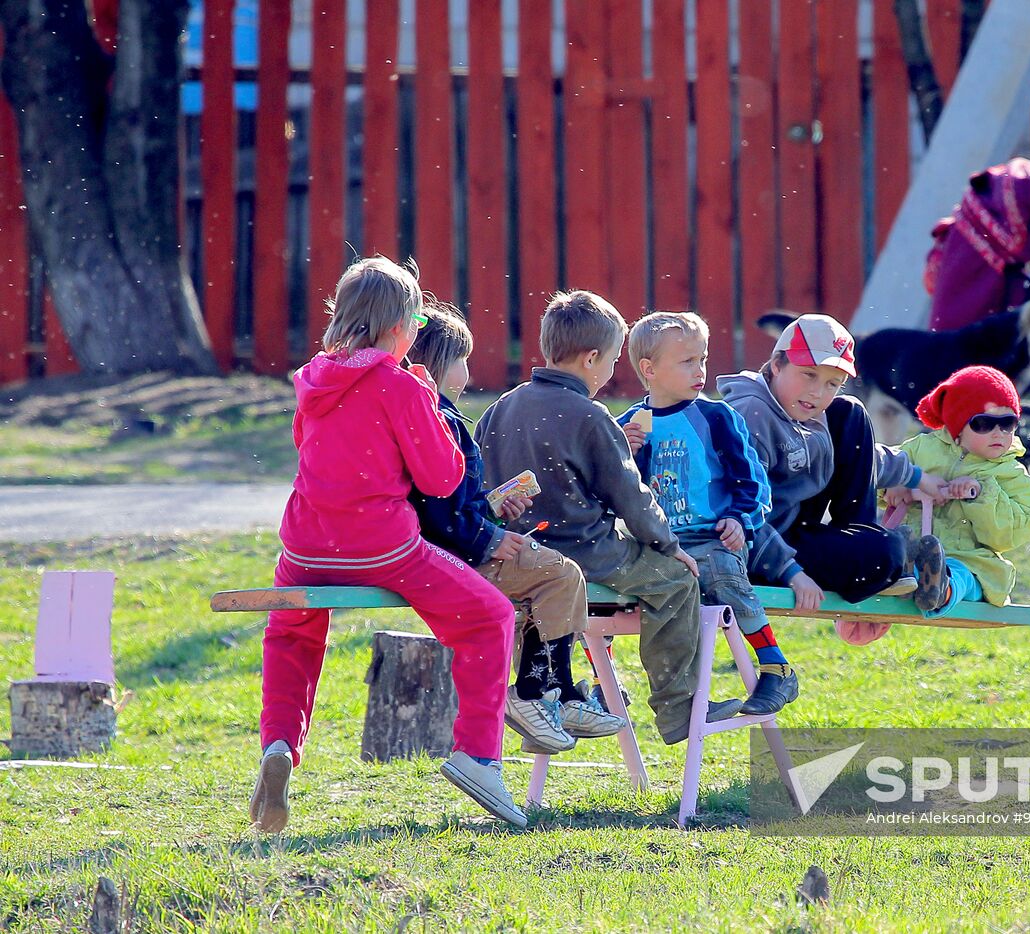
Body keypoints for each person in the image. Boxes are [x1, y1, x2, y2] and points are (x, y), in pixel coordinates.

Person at [251, 257, 527, 832]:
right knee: (489, 618)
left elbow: (311, 448)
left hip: (305, 545)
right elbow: (441, 480)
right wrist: (426, 403)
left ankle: (277, 746)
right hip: (381, 548)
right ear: (403, 327)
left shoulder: (312, 379)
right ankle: (478, 755)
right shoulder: (402, 386)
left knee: (292, 633)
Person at [475, 290, 743, 747]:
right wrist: (669, 545)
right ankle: (678, 708)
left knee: (538, 606)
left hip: (520, 552)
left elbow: (481, 476)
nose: (611, 372)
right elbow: (630, 497)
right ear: (592, 358)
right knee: (677, 584)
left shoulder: (502, 406)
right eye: (613, 360)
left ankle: (549, 702)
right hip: (586, 549)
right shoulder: (590, 414)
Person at [407, 303, 625, 755]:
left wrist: (493, 509)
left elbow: (450, 505)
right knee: (561, 574)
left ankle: (551, 692)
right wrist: (489, 536)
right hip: (456, 555)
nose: (469, 370)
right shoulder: (439, 421)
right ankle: (540, 693)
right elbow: (439, 514)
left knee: (547, 578)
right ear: (442, 366)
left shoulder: (435, 417)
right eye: (464, 360)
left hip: (455, 546)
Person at [618, 311, 795, 715]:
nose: (700, 369)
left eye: (702, 358)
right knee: (606, 580)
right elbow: (616, 493)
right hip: (658, 543)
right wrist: (624, 455)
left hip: (714, 536)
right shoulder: (629, 425)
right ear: (649, 369)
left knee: (719, 573)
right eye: (686, 361)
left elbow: (753, 483)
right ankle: (605, 681)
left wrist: (741, 520)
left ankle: (775, 666)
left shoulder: (716, 417)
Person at [718, 314, 949, 610]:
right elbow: (739, 511)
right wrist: (791, 573)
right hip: (757, 549)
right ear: (777, 364)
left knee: (849, 411)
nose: (818, 392)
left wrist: (916, 477)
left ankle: (872, 543)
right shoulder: (751, 416)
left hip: (796, 527)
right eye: (809, 375)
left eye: (832, 383)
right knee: (883, 554)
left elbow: (853, 454)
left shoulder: (804, 409)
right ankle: (889, 559)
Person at [860, 367, 1030, 643]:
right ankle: (909, 573)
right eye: (983, 423)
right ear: (957, 425)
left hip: (972, 559)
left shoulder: (1011, 475)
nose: (998, 433)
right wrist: (895, 484)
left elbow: (1012, 534)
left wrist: (982, 495)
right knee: (887, 551)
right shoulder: (921, 450)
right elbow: (872, 477)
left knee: (964, 575)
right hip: (914, 546)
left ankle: (940, 587)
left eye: (1008, 423)